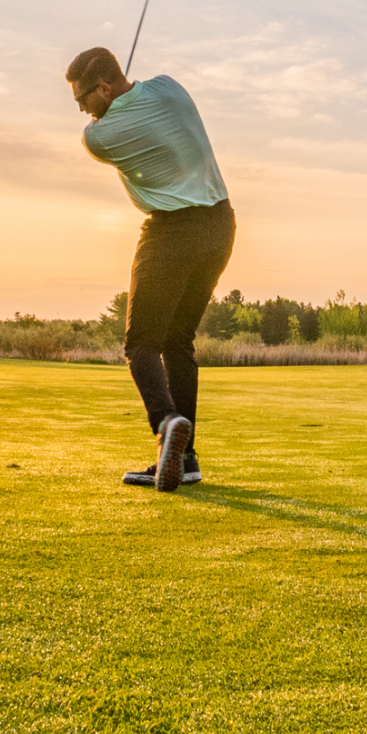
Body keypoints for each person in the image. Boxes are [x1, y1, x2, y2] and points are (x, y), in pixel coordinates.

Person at [68, 45, 235, 490]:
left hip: (172, 232)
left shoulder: (98, 138)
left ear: (103, 88)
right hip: (221, 225)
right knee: (179, 341)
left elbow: (96, 127)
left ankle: (167, 425)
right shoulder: (170, 88)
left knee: (141, 343)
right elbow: (138, 99)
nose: (81, 109)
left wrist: (105, 112)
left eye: (83, 99)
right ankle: (187, 461)